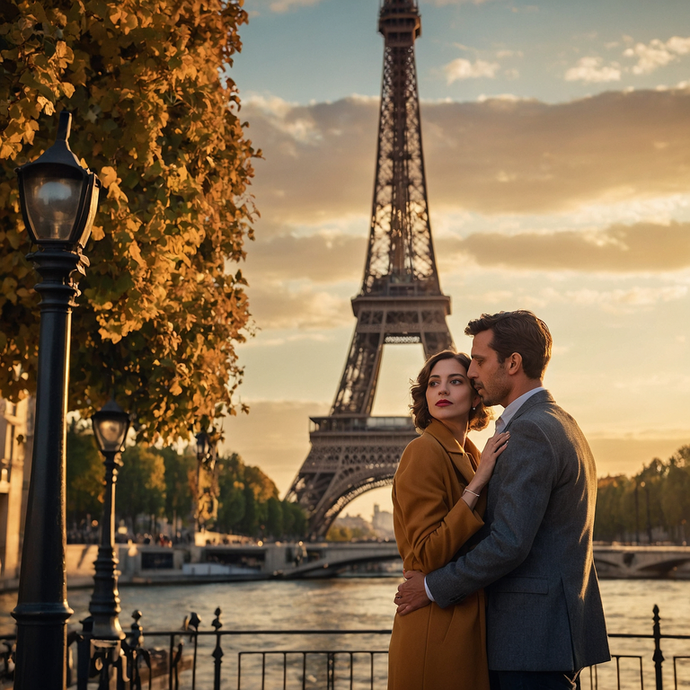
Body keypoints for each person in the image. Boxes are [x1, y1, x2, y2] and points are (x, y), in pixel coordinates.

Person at [395, 310, 611, 690]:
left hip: (526, 638)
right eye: (434, 383)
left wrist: (431, 587)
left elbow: (508, 543)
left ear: (513, 363)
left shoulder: (527, 431)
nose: (474, 372)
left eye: (478, 362)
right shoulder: (561, 423)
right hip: (546, 634)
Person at [388, 349, 509, 690]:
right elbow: (426, 555)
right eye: (433, 383)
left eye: (455, 382)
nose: (442, 390)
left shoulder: (471, 455)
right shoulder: (424, 450)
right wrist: (477, 484)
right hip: (435, 629)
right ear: (424, 396)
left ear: (474, 396)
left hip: (459, 620)